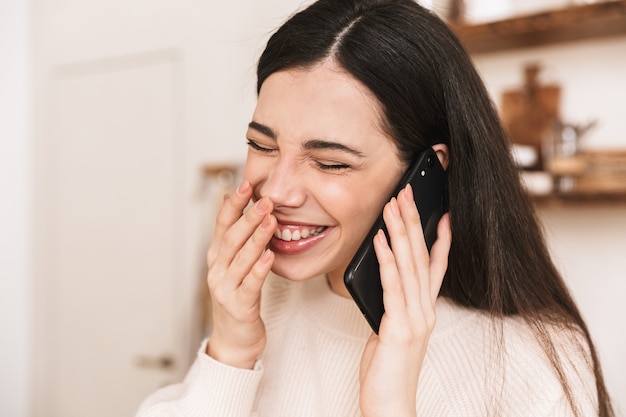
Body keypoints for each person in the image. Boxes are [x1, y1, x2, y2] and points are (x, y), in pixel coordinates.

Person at [136, 0, 615, 416]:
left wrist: (390, 408)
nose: (277, 191)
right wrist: (230, 354)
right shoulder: (259, 303)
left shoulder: (532, 359)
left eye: (329, 163)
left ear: (427, 171)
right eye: (261, 145)